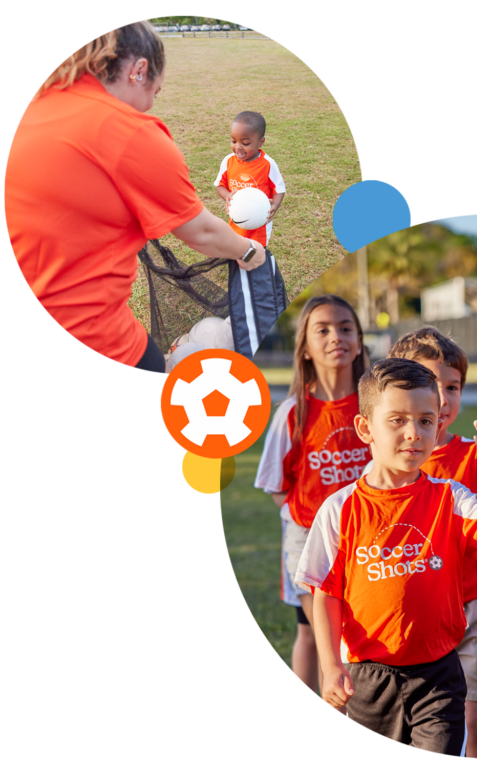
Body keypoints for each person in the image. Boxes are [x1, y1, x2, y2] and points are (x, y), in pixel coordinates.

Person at [5, 21, 265, 760]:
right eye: (158, 82)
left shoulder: (44, 110)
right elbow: (203, 234)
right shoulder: (128, 128)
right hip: (99, 364)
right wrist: (251, 250)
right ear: (141, 70)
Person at [296, 358, 477, 759]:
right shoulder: (340, 509)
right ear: (366, 428)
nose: (413, 433)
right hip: (369, 680)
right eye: (398, 420)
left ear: (439, 426)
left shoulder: (450, 498)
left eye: (425, 421)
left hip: (438, 676)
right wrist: (331, 663)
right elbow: (326, 594)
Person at [381, 327, 477, 760]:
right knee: (412, 724)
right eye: (429, 385)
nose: (442, 399)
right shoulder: (387, 466)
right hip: (415, 612)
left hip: (473, 609)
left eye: (452, 387)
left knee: (473, 720)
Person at [253, 295, 371, 760]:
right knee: (317, 632)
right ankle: (314, 743)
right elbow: (276, 486)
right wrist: (314, 526)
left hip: (368, 538)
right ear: (304, 347)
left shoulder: (376, 405)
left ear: (360, 340)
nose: (335, 337)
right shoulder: (292, 413)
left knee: (359, 637)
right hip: (309, 539)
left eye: (345, 327)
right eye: (321, 329)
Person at [215, 110, 286, 248]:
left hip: (259, 224)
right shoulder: (228, 161)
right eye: (233, 141)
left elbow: (279, 189)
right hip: (236, 219)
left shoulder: (267, 164)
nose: (238, 147)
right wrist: (228, 196)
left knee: (256, 252)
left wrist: (275, 205)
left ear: (261, 142)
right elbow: (220, 185)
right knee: (236, 249)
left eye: (245, 143)